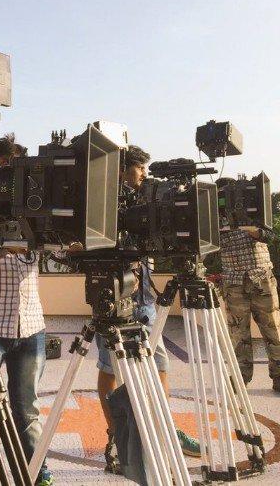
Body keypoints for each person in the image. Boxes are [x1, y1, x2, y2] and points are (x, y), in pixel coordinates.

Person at [95, 145, 200, 471]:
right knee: (110, 370)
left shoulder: (147, 202)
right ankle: (117, 435)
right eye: (138, 168)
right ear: (123, 169)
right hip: (114, 299)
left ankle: (165, 429)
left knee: (160, 366)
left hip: (146, 301)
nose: (143, 174)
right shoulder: (103, 202)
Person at [0, 134, 54, 486]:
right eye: (6, 165)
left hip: (31, 326)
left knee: (26, 409)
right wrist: (0, 249)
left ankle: (39, 474)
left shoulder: (35, 211)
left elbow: (60, 247)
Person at [217, 178, 280, 392]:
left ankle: (279, 376)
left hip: (261, 279)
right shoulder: (213, 217)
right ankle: (240, 378)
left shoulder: (255, 209)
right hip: (233, 282)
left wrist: (254, 229)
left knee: (273, 330)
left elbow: (272, 236)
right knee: (238, 334)